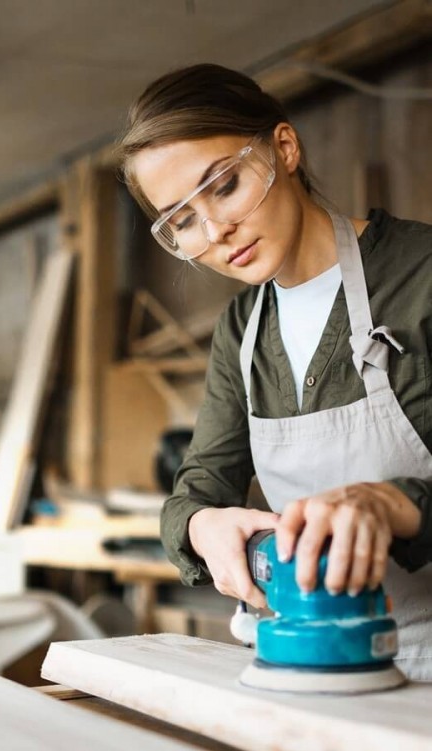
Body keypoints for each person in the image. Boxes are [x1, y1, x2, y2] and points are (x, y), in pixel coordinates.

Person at [119, 63, 432, 679]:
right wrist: (205, 527)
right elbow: (195, 493)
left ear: (283, 149)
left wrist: (391, 505)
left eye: (225, 185)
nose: (215, 231)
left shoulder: (421, 275)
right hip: (306, 663)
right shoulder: (241, 330)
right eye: (181, 222)